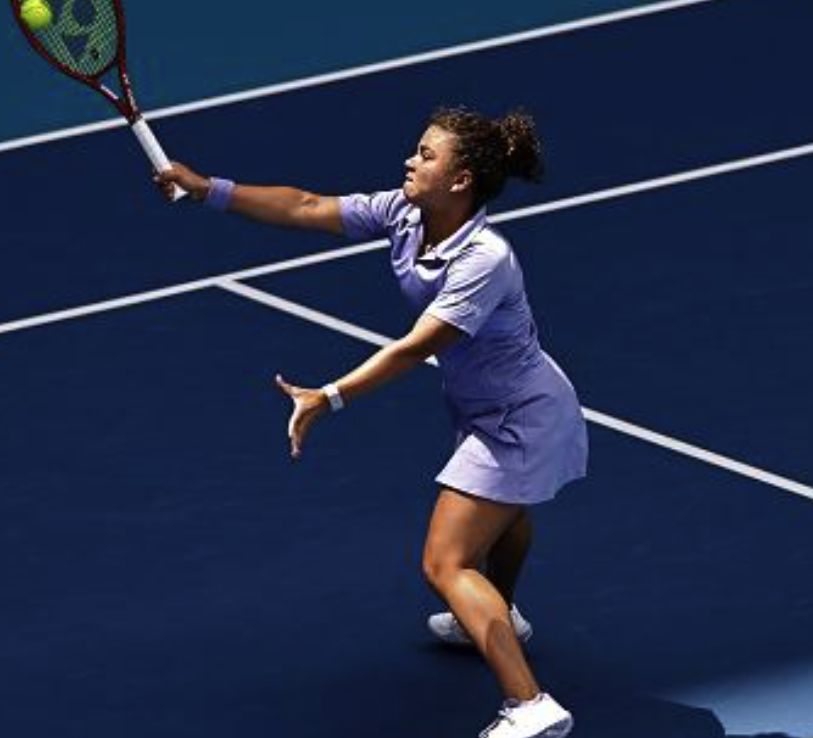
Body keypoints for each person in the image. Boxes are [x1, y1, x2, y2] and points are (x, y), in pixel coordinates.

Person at [155, 106, 585, 738]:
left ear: (461, 180)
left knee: (445, 564)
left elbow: (414, 348)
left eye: (426, 155)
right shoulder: (405, 214)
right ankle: (501, 615)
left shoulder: (485, 259)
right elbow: (306, 206)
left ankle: (530, 705)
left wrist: (328, 396)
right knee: (506, 515)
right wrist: (208, 189)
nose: (410, 161)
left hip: (522, 416)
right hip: (489, 405)